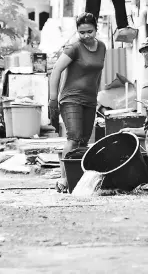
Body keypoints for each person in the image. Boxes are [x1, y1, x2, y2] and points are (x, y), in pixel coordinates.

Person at [49, 13, 107, 193]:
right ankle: (64, 179)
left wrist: (97, 97)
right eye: (82, 32)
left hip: (90, 100)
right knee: (73, 138)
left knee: (83, 142)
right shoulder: (74, 48)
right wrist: (52, 99)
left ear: (96, 29)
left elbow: (97, 75)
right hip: (71, 98)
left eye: (89, 31)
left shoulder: (102, 47)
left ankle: (78, 179)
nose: (86, 36)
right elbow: (56, 70)